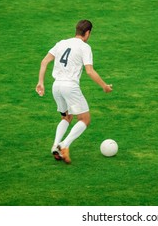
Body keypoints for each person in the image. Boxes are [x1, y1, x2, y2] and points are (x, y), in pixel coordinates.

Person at [36, 20, 113, 164]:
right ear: (88, 33)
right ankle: (64, 145)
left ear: (76, 30)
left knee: (66, 117)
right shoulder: (84, 47)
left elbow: (44, 61)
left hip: (56, 86)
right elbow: (89, 71)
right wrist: (104, 86)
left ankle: (55, 146)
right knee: (85, 119)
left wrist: (40, 82)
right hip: (70, 87)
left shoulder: (61, 43)